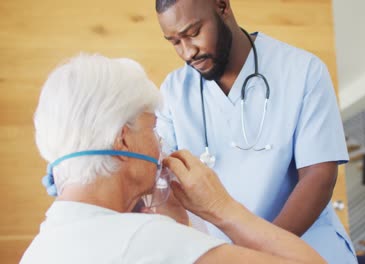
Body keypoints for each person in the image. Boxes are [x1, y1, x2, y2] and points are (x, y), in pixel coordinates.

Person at [23, 53, 326, 264]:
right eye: (153, 129)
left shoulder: (41, 247)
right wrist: (222, 208)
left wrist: (178, 224)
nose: (160, 145)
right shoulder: (145, 239)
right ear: (123, 138)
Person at [154, 0, 356, 263]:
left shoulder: (302, 71)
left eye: (193, 33)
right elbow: (161, 182)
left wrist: (257, 254)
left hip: (305, 249)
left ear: (222, 7)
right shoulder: (174, 91)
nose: (188, 51)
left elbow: (319, 177)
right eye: (174, 42)